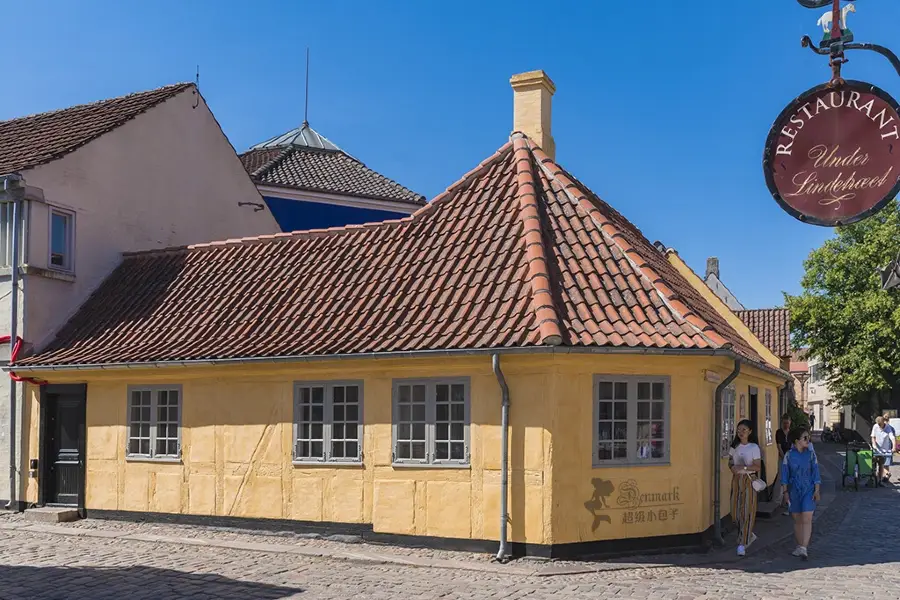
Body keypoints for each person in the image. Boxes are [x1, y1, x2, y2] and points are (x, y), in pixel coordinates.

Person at [781, 427, 821, 560]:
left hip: (808, 488)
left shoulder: (810, 454)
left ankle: (804, 547)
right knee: (797, 519)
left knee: (807, 518)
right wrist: (785, 491)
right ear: (797, 440)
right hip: (794, 489)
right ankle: (799, 546)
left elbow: (815, 471)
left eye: (808, 437)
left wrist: (817, 489)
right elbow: (785, 474)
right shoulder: (788, 455)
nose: (808, 440)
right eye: (805, 438)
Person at [729, 419, 761, 557]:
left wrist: (743, 467)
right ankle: (748, 534)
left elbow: (757, 467)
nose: (741, 432)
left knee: (747, 510)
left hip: (749, 479)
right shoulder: (734, 446)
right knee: (735, 512)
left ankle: (742, 543)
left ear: (750, 432)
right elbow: (730, 462)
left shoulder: (754, 447)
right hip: (737, 480)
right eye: (739, 429)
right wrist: (732, 468)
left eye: (744, 430)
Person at [775, 414, 792, 516]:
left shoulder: (792, 433)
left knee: (790, 479)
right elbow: (779, 446)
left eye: (787, 423)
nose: (786, 425)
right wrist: (783, 456)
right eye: (784, 423)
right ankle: (778, 500)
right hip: (782, 458)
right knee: (781, 478)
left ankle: (788, 501)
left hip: (791, 459)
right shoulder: (779, 432)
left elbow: (794, 445)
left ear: (790, 423)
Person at [871, 416, 896, 482]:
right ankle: (873, 478)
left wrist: (894, 447)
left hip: (885, 450)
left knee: (882, 465)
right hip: (877, 449)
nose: (879, 425)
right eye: (878, 424)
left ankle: (880, 480)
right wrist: (874, 444)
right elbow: (873, 436)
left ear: (883, 422)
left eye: (880, 424)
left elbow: (892, 437)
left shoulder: (888, 427)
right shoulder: (875, 426)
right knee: (874, 463)